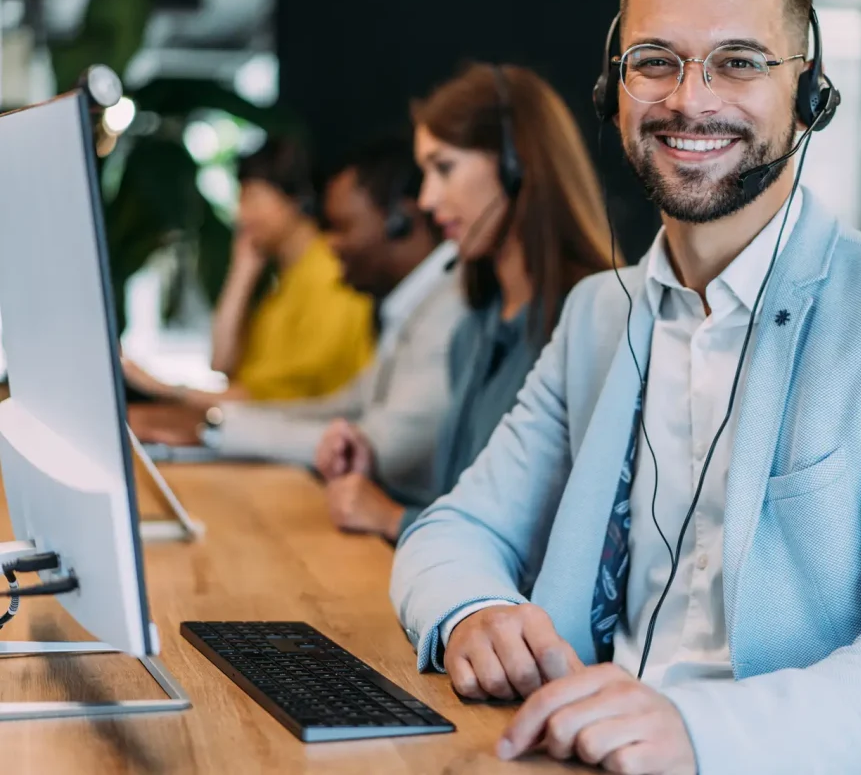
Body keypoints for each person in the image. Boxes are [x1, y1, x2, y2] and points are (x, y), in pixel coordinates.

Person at [390, 0, 861, 775]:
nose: (691, 100)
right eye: (656, 61)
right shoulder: (599, 316)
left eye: (739, 62)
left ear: (808, 93)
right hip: (587, 753)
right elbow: (453, 529)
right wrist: (472, 612)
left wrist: (697, 732)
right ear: (613, 89)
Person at [315, 63, 613, 542]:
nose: (428, 200)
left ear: (517, 167)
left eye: (444, 168)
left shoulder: (591, 321)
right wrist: (372, 472)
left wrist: (393, 518)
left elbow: (548, 536)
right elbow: (464, 504)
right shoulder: (476, 327)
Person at [206, 136, 464, 537]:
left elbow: (376, 446)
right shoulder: (412, 305)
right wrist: (221, 423)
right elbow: (346, 404)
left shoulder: (452, 305)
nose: (333, 245)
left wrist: (218, 426)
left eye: (342, 228)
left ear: (401, 220)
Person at [122, 136, 375, 408]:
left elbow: (283, 398)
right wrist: (241, 274)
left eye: (252, 197)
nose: (242, 215)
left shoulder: (330, 271)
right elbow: (222, 364)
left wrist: (168, 391)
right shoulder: (285, 280)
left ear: (295, 199)